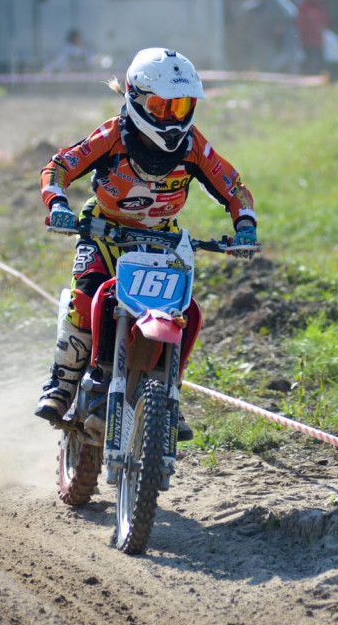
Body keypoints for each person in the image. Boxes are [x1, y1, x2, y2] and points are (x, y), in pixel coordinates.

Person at [34, 48, 259, 440]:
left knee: (184, 310)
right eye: (162, 106)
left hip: (162, 240)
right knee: (87, 296)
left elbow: (234, 187)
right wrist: (57, 204)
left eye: (182, 106)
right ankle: (63, 381)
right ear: (136, 99)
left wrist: (245, 227)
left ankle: (169, 394)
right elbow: (59, 166)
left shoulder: (193, 147)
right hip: (104, 230)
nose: (174, 117)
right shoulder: (112, 135)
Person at [237, 0, 292, 72]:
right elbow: (242, 25)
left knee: (267, 64)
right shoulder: (250, 8)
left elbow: (280, 26)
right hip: (253, 41)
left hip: (268, 41)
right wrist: (242, 39)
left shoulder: (274, 8)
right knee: (253, 64)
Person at [296, 0, 330, 76]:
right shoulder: (304, 6)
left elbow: (326, 21)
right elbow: (300, 23)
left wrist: (322, 28)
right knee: (310, 64)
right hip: (307, 42)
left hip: (319, 41)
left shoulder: (321, 7)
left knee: (319, 64)